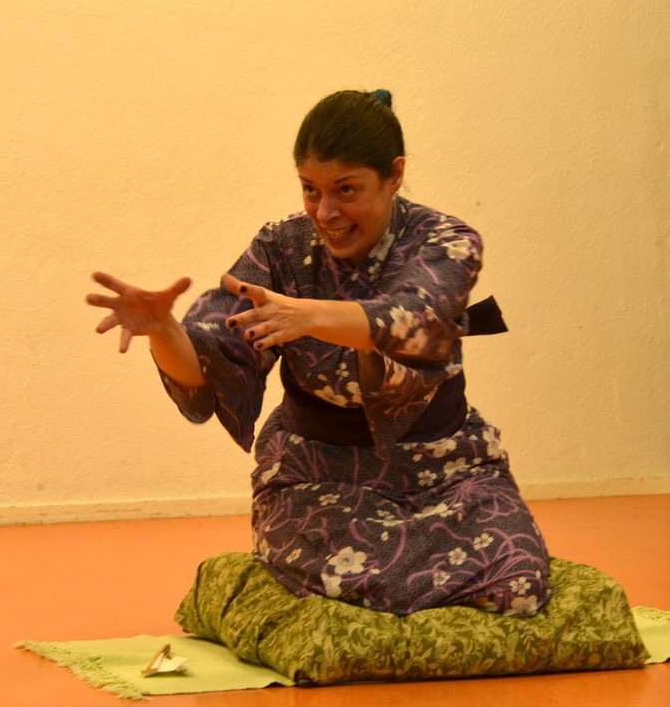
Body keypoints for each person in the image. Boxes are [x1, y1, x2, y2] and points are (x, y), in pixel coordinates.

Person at [87, 89, 551, 617]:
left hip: (447, 468)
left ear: (394, 175)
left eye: (345, 190)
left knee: (517, 584)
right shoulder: (280, 247)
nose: (325, 212)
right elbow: (213, 359)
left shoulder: (445, 240)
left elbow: (414, 319)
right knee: (347, 578)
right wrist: (164, 331)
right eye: (311, 190)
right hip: (318, 477)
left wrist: (306, 316)